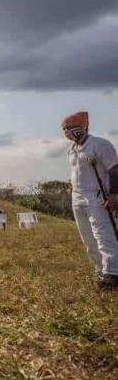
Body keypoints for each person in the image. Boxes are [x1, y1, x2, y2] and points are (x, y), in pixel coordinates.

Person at [63, 111, 118, 289]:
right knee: (88, 238)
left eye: (73, 127)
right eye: (66, 129)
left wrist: (114, 194)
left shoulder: (100, 145)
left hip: (98, 196)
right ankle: (101, 271)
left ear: (85, 126)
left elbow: (114, 170)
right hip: (77, 197)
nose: (70, 132)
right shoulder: (71, 150)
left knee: (103, 234)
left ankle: (113, 273)